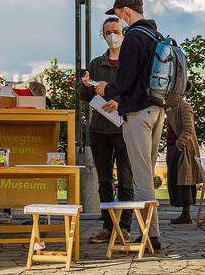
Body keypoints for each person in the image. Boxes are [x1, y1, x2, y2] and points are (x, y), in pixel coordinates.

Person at [95, 0, 165, 250]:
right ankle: (152, 232)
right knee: (147, 169)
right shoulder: (156, 35)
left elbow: (123, 81)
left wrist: (105, 88)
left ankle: (151, 236)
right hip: (158, 110)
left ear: (125, 12)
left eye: (118, 14)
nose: (119, 20)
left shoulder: (134, 37)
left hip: (138, 113)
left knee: (142, 176)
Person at [78, 17, 135, 243]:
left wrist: (121, 104)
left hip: (124, 128)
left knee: (126, 180)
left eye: (115, 31)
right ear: (102, 35)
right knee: (103, 181)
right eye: (108, 32)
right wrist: (84, 86)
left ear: (123, 32)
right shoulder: (96, 64)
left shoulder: (130, 62)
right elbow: (84, 97)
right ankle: (107, 225)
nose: (112, 35)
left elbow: (138, 93)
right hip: (99, 130)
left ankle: (125, 226)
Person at [165, 82, 202, 224]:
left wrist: (179, 145)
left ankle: (186, 214)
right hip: (173, 148)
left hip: (182, 149)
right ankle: (184, 214)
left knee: (185, 181)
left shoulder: (184, 106)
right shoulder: (171, 107)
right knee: (177, 180)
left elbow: (188, 129)